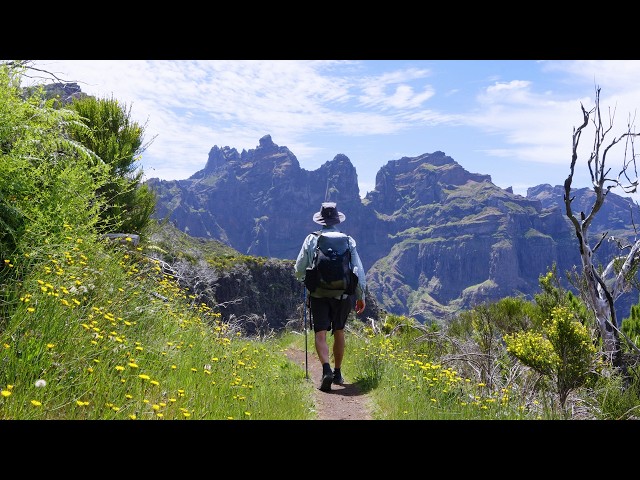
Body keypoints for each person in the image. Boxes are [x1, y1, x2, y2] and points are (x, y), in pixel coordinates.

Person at [294, 202, 366, 392]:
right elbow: (357, 269)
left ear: (321, 220)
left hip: (318, 294)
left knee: (320, 333)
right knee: (339, 331)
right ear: (336, 220)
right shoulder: (348, 240)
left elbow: (299, 268)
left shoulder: (312, 239)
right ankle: (338, 372)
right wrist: (361, 295)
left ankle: (326, 369)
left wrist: (305, 279)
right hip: (342, 295)